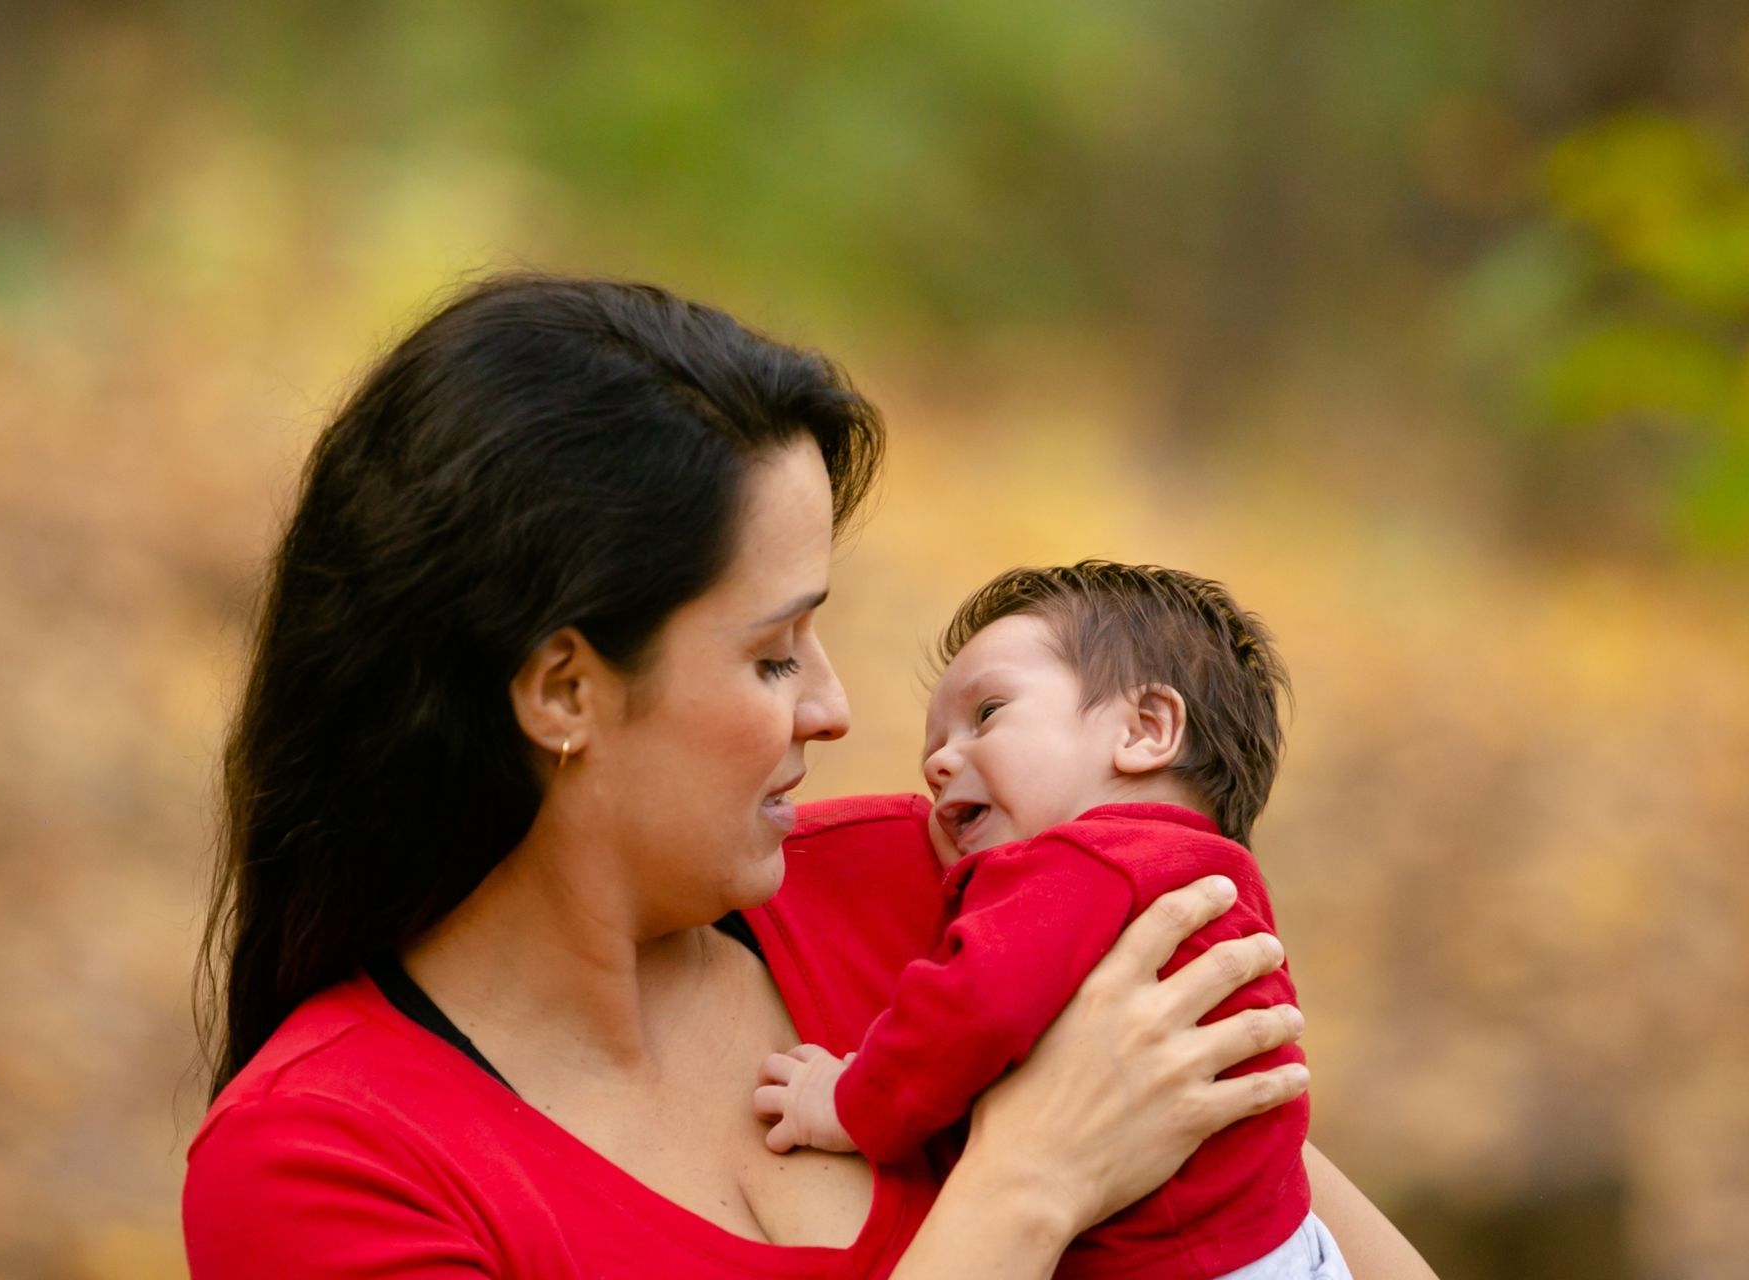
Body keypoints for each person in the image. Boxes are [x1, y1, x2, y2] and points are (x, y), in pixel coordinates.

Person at [183, 272, 1436, 1278]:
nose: (837, 709)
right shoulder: (328, 1162)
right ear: (562, 689)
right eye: (775, 655)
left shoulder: (954, 880)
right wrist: (1027, 1183)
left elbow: (1281, 1221)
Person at [755, 562, 1347, 1279]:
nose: (941, 760)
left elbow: (974, 1008)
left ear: (1145, 729)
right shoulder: (1216, 878)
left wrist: (848, 1102)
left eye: (988, 714)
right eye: (932, 747)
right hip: (1294, 1244)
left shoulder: (1082, 862)